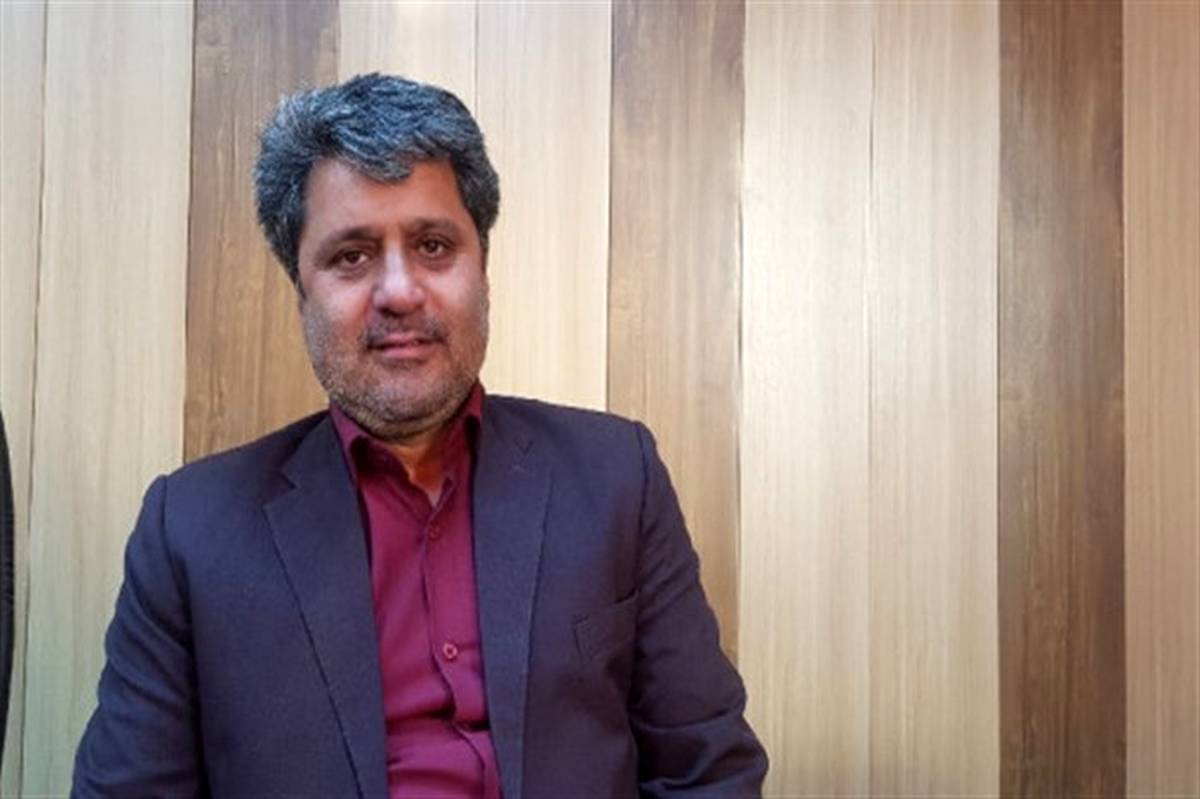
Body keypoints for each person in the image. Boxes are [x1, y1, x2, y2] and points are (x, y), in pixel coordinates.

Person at [73, 73, 767, 798]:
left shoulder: (616, 478)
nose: (400, 292)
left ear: (483, 270)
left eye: (434, 245)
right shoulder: (190, 531)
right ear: (300, 292)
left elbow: (708, 771)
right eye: (351, 255)